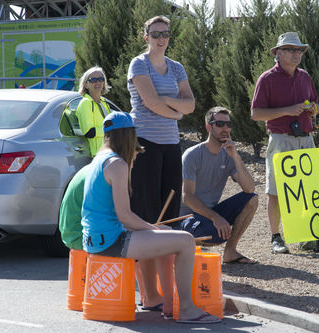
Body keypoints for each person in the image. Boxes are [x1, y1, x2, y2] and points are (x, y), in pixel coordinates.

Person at [81, 111, 220, 324]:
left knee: (167, 237)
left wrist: (151, 229)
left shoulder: (98, 159)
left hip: (95, 238)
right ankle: (186, 309)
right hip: (110, 240)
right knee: (185, 241)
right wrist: (152, 228)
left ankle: (163, 301)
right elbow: (124, 215)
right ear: (129, 136)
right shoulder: (117, 164)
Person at [127, 15, 195, 308]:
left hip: (170, 145)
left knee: (167, 214)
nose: (161, 38)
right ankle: (148, 294)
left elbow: (191, 104)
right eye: (155, 34)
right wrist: (176, 110)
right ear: (146, 37)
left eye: (165, 33)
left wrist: (173, 108)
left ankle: (166, 293)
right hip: (145, 145)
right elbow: (150, 102)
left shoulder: (177, 67)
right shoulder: (138, 64)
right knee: (146, 217)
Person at [251, 32, 319, 254]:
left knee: (309, 189)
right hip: (281, 139)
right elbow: (256, 113)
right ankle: (276, 238)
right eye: (291, 50)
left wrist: (314, 109)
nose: (296, 54)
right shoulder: (267, 79)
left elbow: (316, 103)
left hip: (306, 138)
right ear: (278, 53)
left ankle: (307, 237)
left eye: (299, 50)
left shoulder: (304, 76)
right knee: (275, 191)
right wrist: (287, 110)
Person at [173, 107, 258, 264]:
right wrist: (216, 218)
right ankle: (182, 247)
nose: (225, 129)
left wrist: (236, 156)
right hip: (187, 217)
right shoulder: (192, 155)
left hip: (209, 213)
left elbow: (249, 188)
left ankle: (231, 251)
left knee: (252, 199)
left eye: (228, 124)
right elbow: (188, 197)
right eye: (219, 124)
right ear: (208, 127)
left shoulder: (228, 154)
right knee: (215, 234)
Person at [76, 66, 112, 157]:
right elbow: (89, 132)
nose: (98, 82)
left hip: (109, 151)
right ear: (86, 84)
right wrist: (112, 131)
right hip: (97, 155)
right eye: (93, 80)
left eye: (101, 79)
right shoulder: (85, 103)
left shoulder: (104, 103)